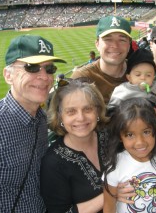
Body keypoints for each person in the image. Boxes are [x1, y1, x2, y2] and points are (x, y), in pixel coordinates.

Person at [0, 35, 66, 212]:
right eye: (31, 67)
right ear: (8, 75)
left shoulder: (41, 119)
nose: (44, 77)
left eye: (49, 68)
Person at [103, 98, 156, 213]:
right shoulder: (114, 164)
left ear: (155, 129)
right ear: (120, 137)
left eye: (146, 132)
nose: (140, 142)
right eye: (130, 134)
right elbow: (109, 204)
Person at [40, 78, 109, 213]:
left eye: (87, 109)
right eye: (71, 111)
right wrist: (109, 195)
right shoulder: (53, 162)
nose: (81, 118)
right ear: (60, 117)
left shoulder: (110, 138)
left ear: (98, 111)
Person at [70, 15, 131, 104]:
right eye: (108, 39)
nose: (115, 45)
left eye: (122, 40)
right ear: (97, 44)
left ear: (129, 45)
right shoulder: (81, 78)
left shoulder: (140, 72)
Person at [107, 48, 156, 113]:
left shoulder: (154, 90)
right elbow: (111, 111)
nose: (143, 78)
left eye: (148, 75)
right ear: (129, 77)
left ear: (153, 78)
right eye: (138, 75)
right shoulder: (122, 91)